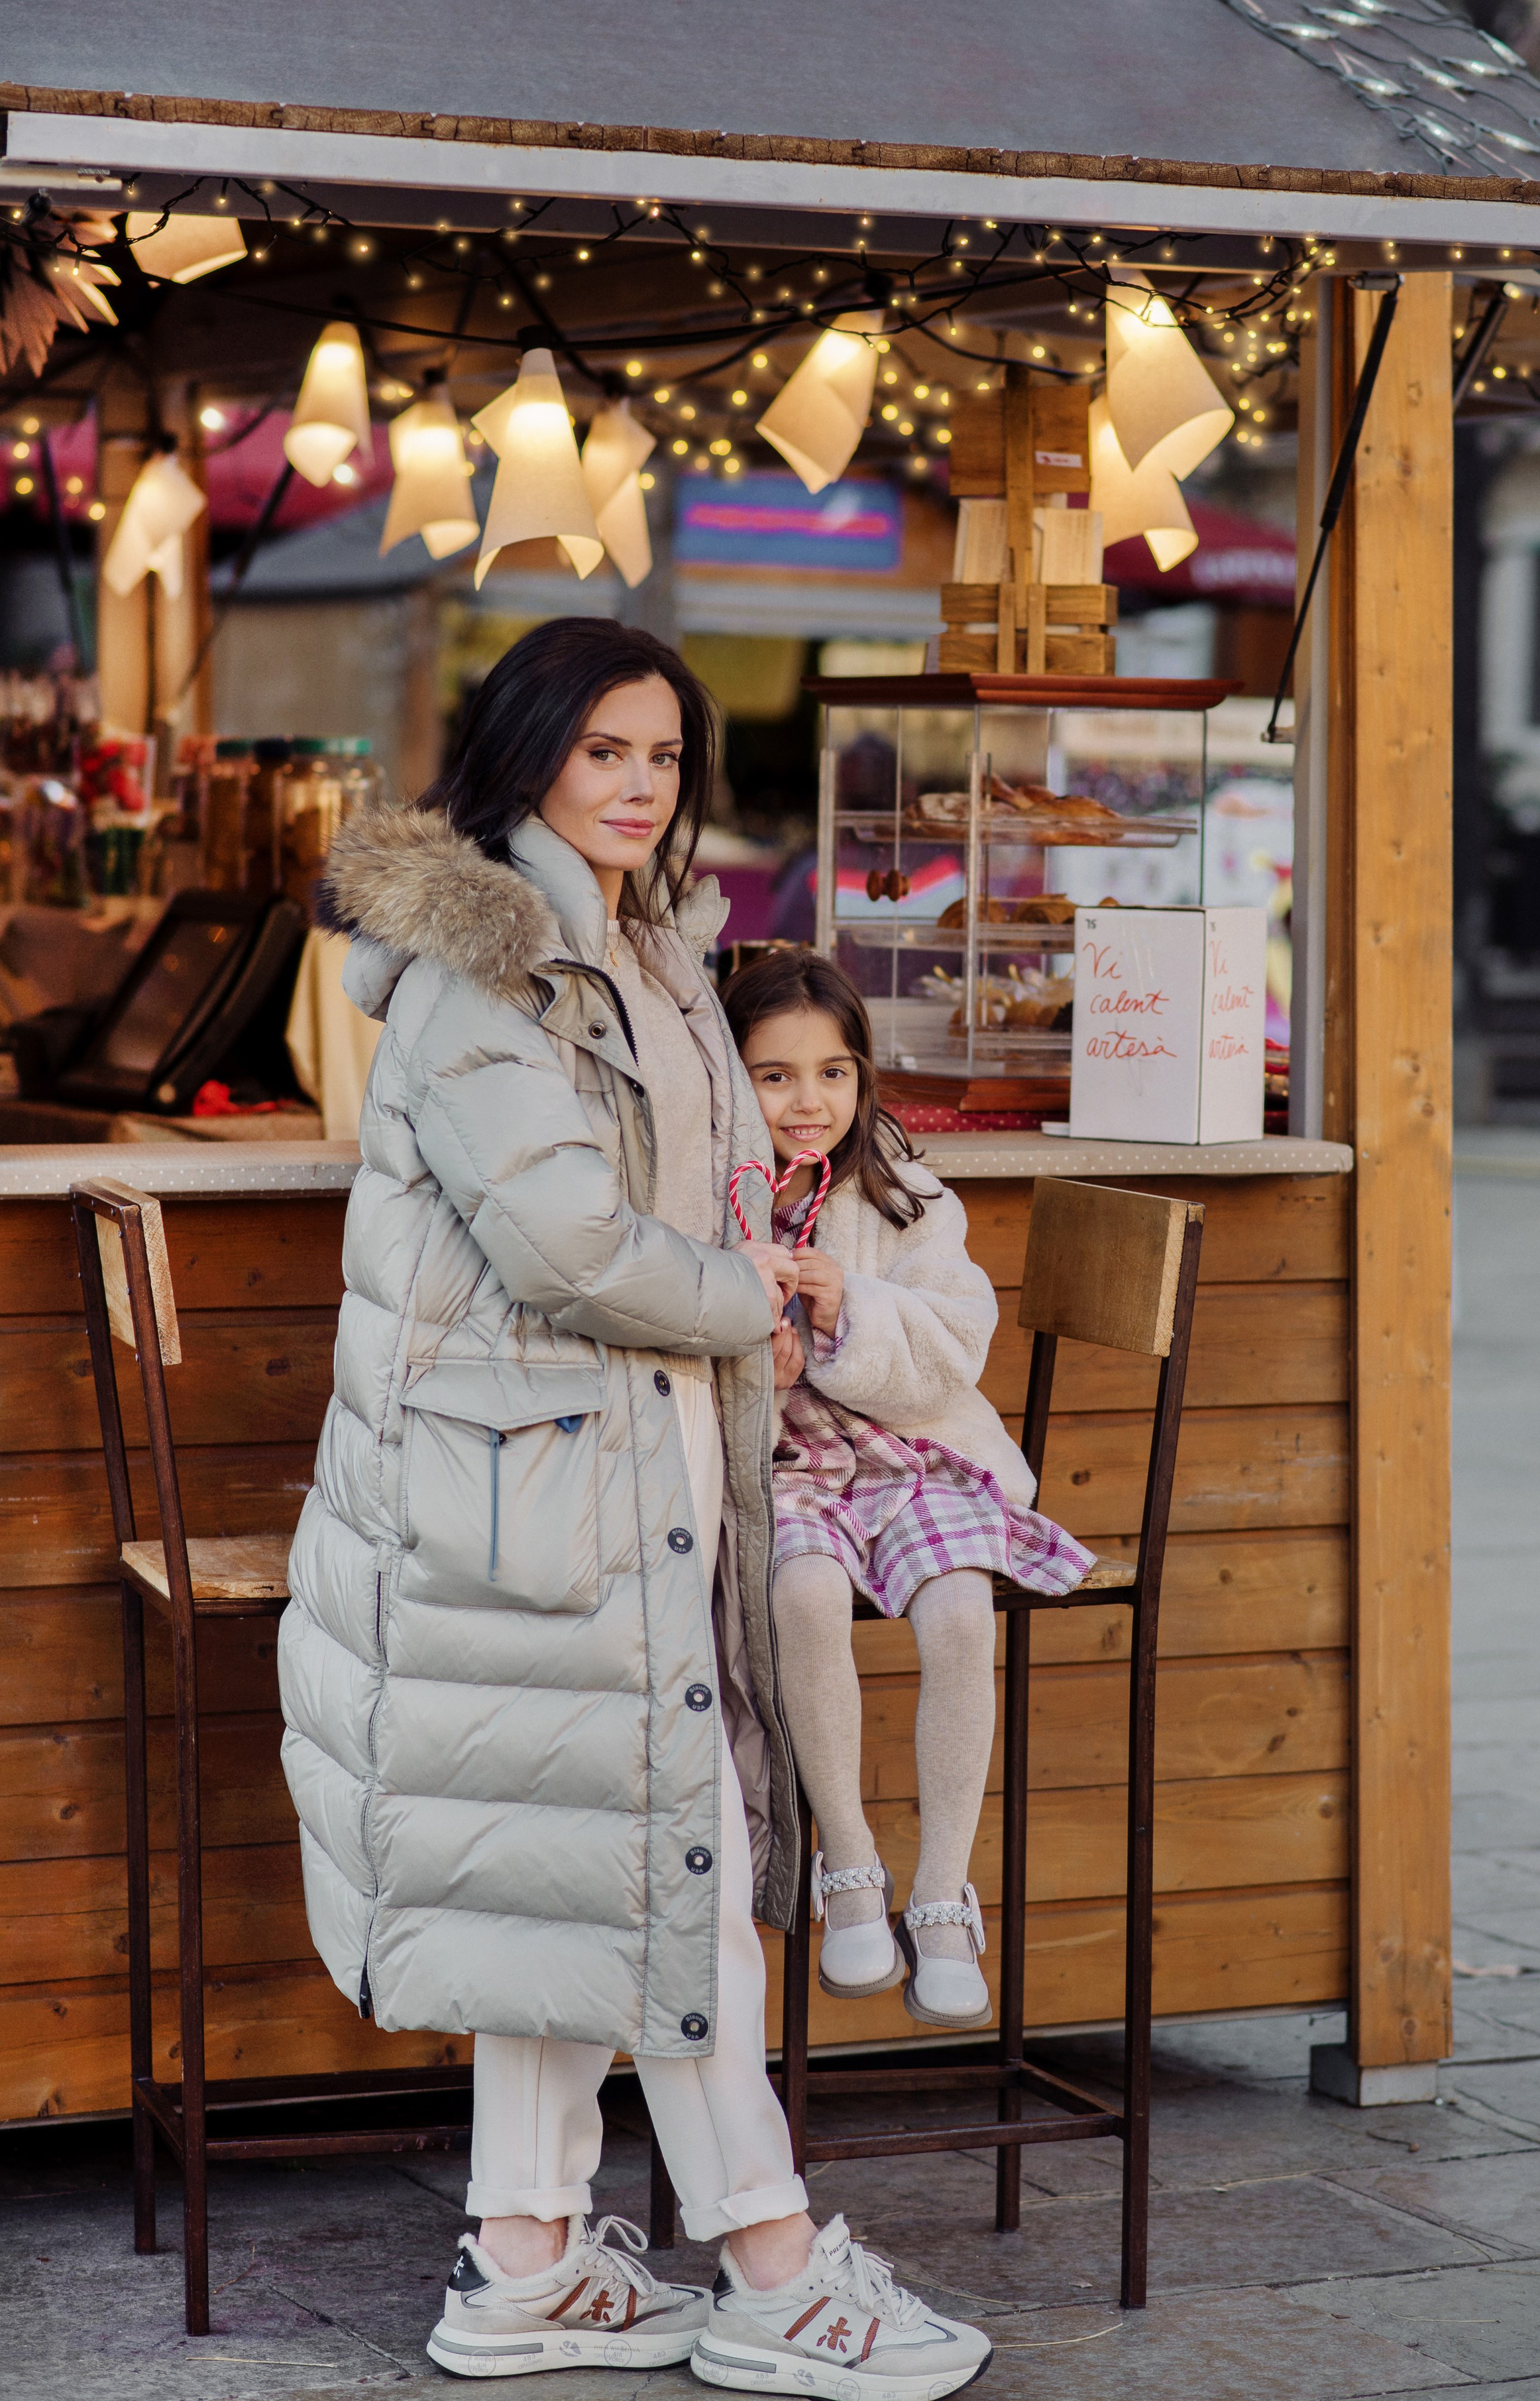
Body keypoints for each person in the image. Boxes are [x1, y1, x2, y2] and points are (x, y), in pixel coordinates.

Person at [277, 620, 992, 2396]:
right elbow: (571, 1245)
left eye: (663, 756)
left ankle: (522, 2256)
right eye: (604, 750)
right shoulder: (486, 972)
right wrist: (758, 1295)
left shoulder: (652, 947)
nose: (638, 783)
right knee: (677, 1851)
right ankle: (770, 2265)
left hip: (620, 1451)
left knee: (564, 1863)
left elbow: (695, 1181)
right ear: (527, 751)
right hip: (539, 1479)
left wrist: (752, 1264)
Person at [722, 950, 1093, 2030]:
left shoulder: (907, 1195)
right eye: (774, 1076)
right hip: (781, 1467)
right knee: (800, 1598)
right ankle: (848, 1864)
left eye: (833, 1073)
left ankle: (940, 1894)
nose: (808, 1101)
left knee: (961, 1611)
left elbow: (954, 1346)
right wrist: (757, 1354)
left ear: (864, 1077)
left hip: (910, 1449)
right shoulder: (703, 1194)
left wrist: (849, 1316)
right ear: (729, 1078)